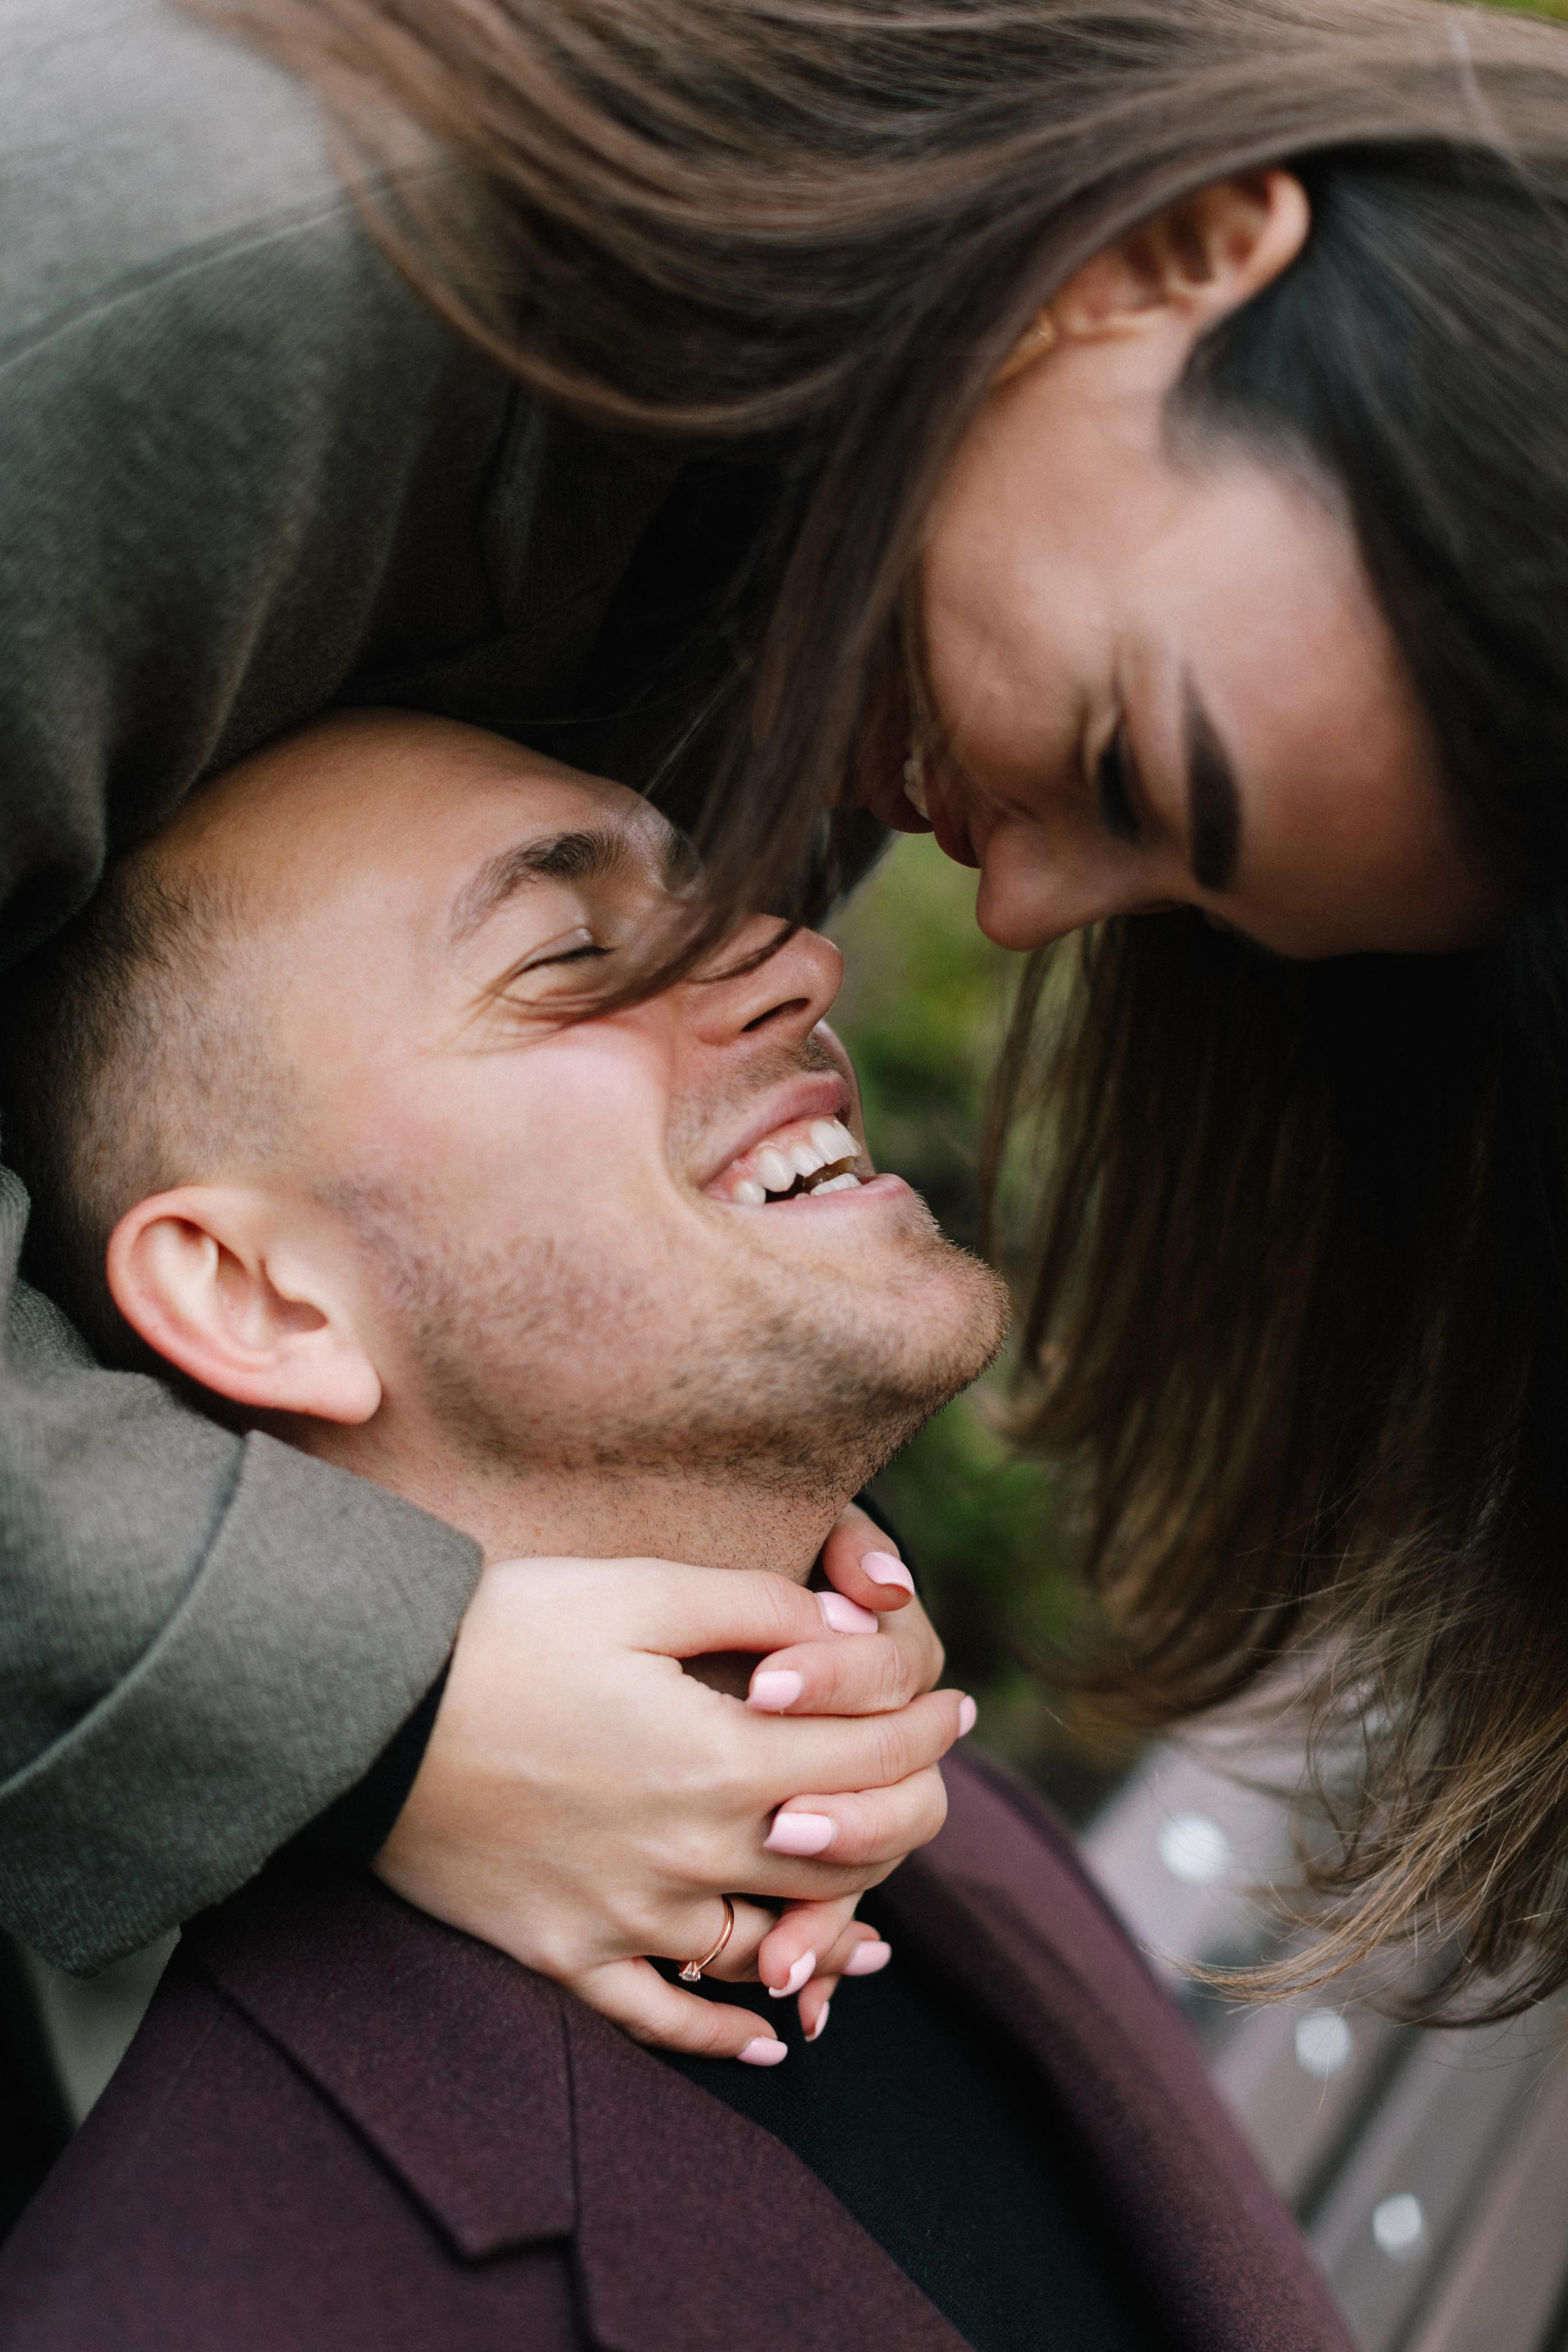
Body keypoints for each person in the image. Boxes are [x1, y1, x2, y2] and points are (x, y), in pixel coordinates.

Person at [7, 0, 1568, 2033]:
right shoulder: (171, 282)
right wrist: (384, 1699)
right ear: (1169, 262)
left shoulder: (792, 580)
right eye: (1119, 765)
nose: (1011, 908)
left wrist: (688, 1686)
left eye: (1181, 892)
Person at [0, 712, 1352, 2352]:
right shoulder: (200, 2305)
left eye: (716, 899)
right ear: (258, 1296)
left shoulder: (958, 1838)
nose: (796, 957)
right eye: (570, 952)